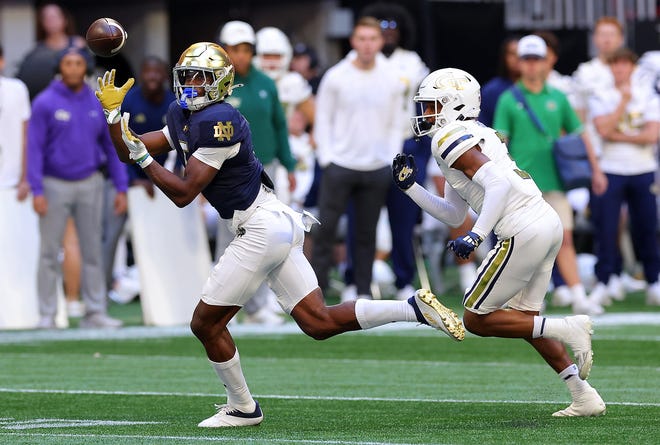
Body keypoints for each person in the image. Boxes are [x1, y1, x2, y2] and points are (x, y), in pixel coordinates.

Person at [94, 41, 465, 427]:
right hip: (274, 221)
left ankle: (242, 406)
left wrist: (141, 158)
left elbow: (184, 192)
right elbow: (131, 148)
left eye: (200, 78)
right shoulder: (184, 113)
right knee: (317, 322)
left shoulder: (219, 121)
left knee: (205, 323)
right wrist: (112, 115)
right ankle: (413, 309)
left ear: (219, 83)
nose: (191, 85)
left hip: (260, 227)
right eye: (186, 76)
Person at [393, 67, 606, 417]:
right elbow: (452, 213)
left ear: (451, 105)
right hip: (543, 220)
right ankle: (583, 395)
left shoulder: (448, 137)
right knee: (524, 320)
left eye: (431, 105)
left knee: (476, 318)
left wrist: (477, 235)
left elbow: (498, 185)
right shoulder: (469, 133)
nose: (425, 113)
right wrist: (410, 188)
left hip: (522, 227)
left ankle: (568, 327)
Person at [493, 35, 607, 316]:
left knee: (564, 239)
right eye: (527, 60)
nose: (532, 66)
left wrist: (596, 170)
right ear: (519, 63)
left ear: (546, 62)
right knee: (525, 243)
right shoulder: (509, 99)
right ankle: (527, 298)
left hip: (555, 182)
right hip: (522, 185)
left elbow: (582, 135)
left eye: (536, 59)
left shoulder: (558, 97)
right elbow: (501, 142)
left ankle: (579, 296)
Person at [27, 46, 128, 329]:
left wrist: (121, 186)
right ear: (61, 68)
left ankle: (95, 311)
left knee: (93, 248)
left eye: (78, 63)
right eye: (68, 63)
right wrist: (36, 189)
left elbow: (111, 146)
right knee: (49, 251)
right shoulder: (45, 102)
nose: (73, 68)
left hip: (90, 182)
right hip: (53, 183)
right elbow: (33, 148)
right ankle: (47, 313)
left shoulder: (96, 101)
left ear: (85, 67)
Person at [313, 16, 404, 300]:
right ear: (353, 41)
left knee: (366, 234)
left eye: (372, 39)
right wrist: (327, 157)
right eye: (362, 39)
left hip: (376, 166)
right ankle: (316, 291)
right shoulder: (336, 76)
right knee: (325, 229)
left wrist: (390, 159)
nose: (367, 45)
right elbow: (322, 118)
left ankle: (362, 291)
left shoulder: (391, 77)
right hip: (339, 164)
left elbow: (395, 123)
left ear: (381, 41)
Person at [217, 20, 296, 325]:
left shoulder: (266, 83)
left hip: (266, 169)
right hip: (230, 172)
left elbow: (279, 124)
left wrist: (288, 164)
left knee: (268, 237)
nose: (240, 55)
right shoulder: (217, 85)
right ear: (224, 51)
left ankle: (258, 306)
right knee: (229, 241)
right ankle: (221, 308)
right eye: (234, 49)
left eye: (246, 49)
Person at [587, 47, 660, 307]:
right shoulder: (602, 96)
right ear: (610, 68)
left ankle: (653, 282)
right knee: (606, 229)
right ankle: (604, 282)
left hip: (643, 168)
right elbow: (603, 129)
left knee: (647, 227)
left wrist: (617, 134)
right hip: (611, 169)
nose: (620, 69)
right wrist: (622, 103)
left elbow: (652, 135)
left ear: (633, 67)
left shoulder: (649, 96)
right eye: (615, 64)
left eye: (624, 64)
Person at [107, 55, 178, 304]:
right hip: (136, 178)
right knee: (114, 229)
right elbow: (117, 145)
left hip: (167, 180)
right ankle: (113, 282)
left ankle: (169, 282)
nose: (152, 77)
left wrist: (175, 174)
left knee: (169, 232)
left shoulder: (174, 103)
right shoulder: (131, 100)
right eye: (147, 72)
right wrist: (132, 181)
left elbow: (183, 144)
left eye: (157, 72)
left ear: (165, 76)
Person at [17, 2, 87, 100]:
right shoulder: (36, 51)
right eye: (47, 18)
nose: (51, 21)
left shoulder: (78, 44)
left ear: (64, 19)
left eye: (54, 17)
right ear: (42, 23)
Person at [478, 36, 520, 128]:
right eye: (512, 53)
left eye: (521, 54)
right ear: (504, 57)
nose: (517, 58)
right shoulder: (491, 91)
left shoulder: (540, 89)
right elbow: (483, 126)